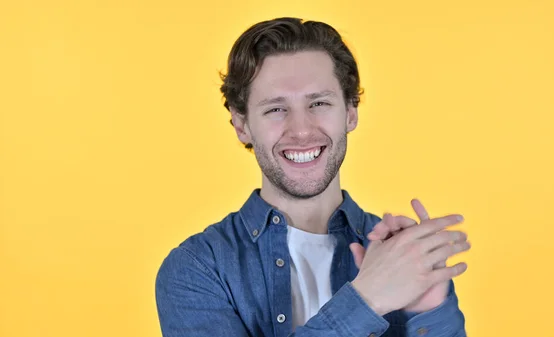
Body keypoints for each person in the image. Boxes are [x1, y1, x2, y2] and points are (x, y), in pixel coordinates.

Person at [155, 17, 471, 337]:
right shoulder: (197, 268)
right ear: (242, 126)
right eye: (276, 109)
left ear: (350, 112)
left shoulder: (404, 260)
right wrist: (366, 299)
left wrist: (429, 311)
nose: (302, 130)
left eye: (318, 103)